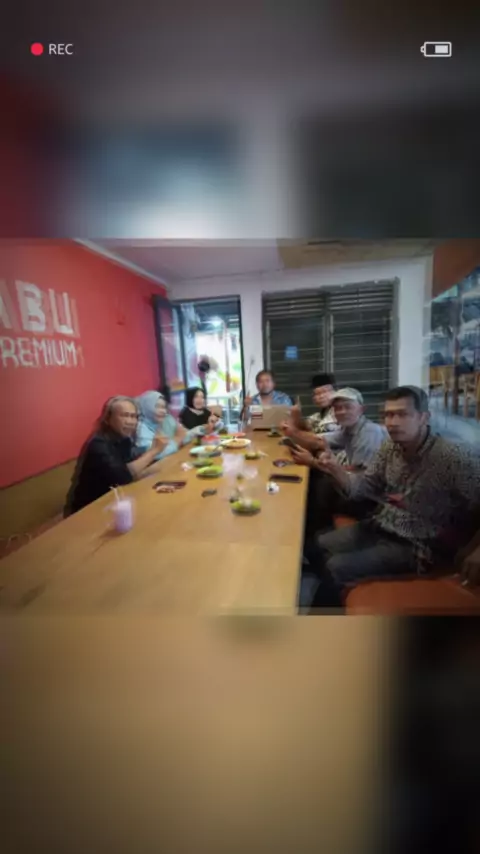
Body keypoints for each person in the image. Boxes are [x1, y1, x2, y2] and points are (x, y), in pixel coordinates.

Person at [299, 385, 480, 611]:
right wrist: (335, 469)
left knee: (335, 566)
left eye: (402, 414)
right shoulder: (390, 447)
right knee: (315, 545)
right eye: (388, 415)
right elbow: (363, 487)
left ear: (424, 417)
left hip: (420, 545)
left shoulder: (453, 457)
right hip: (383, 524)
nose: (392, 422)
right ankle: (326, 592)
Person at [288, 387, 388, 537]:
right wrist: (293, 428)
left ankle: (312, 537)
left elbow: (358, 482)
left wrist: (313, 462)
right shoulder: (349, 429)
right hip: (355, 487)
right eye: (337, 408)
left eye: (348, 407)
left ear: (362, 409)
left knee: (318, 487)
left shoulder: (368, 434)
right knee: (314, 484)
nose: (342, 411)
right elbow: (318, 440)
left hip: (371, 499)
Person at [65, 396, 168, 515]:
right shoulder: (98, 443)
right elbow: (123, 476)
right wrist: (154, 451)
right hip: (87, 509)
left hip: (114, 499)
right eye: (124, 415)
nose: (130, 422)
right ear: (108, 419)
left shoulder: (124, 439)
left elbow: (131, 469)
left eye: (134, 416)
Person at [136, 391, 190, 460]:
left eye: (164, 407)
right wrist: (177, 439)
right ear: (147, 407)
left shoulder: (161, 421)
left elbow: (183, 436)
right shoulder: (141, 428)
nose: (163, 411)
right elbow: (155, 454)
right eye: (157, 406)